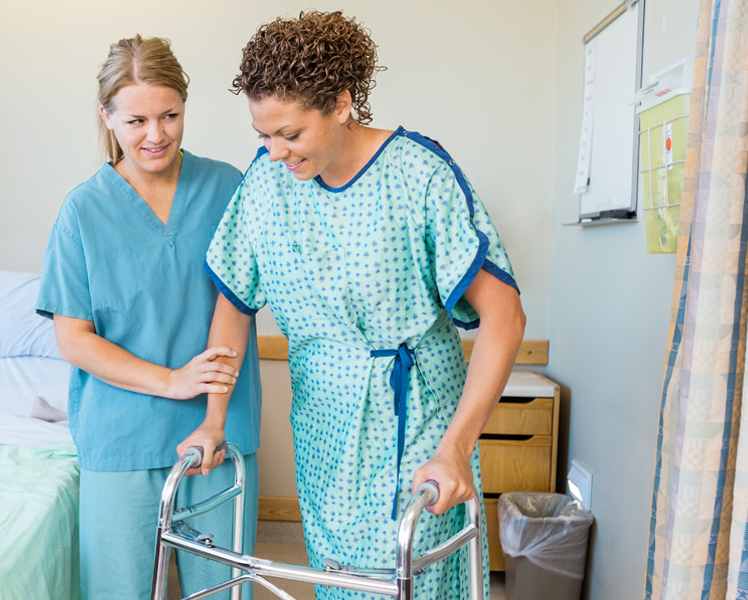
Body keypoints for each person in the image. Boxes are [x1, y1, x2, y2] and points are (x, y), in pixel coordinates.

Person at [184, 11, 525, 599]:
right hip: (324, 421)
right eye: (262, 135)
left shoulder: (418, 173)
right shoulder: (265, 184)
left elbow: (505, 315)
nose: (275, 152)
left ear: (341, 104)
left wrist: (456, 449)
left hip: (417, 415)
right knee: (339, 580)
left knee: (414, 576)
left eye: (290, 134)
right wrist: (213, 418)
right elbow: (235, 302)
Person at [36, 35, 262, 600]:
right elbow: (74, 339)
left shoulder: (229, 188)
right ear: (107, 116)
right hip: (121, 438)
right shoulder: (83, 210)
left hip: (219, 429)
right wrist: (171, 380)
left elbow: (243, 302)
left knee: (224, 592)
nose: (156, 134)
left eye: (170, 115)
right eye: (136, 120)